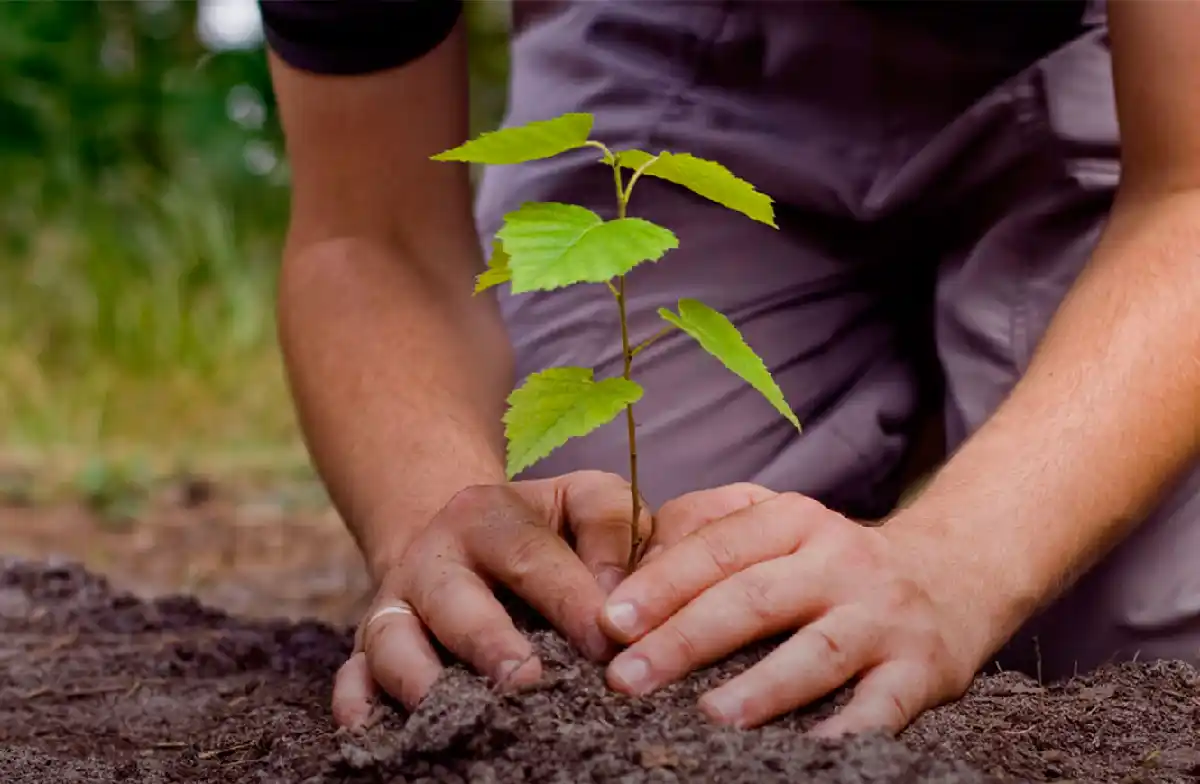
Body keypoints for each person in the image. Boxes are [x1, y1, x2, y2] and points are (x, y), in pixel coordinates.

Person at [258, 0, 1200, 737]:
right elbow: (367, 233)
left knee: (1150, 638)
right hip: (679, 44)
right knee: (618, 592)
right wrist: (430, 521)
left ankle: (965, 387)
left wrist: (962, 558)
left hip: (1120, 60)